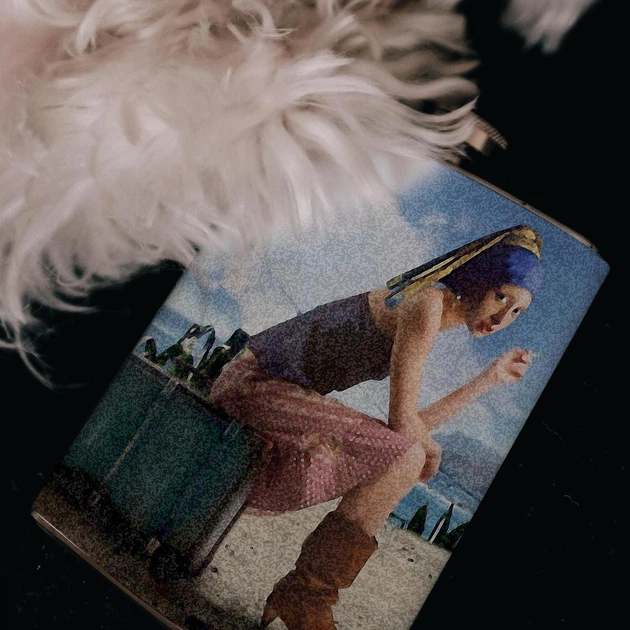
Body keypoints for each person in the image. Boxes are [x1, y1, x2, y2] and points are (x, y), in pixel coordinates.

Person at [209, 225, 543, 630]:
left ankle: (306, 593)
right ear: (479, 276)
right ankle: (304, 596)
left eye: (517, 311)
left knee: (405, 455)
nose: (502, 317)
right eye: (501, 296)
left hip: (280, 394)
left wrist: (488, 379)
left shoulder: (435, 311)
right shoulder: (425, 303)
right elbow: (404, 428)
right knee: (409, 454)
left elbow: (399, 435)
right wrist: (430, 448)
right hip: (253, 386)